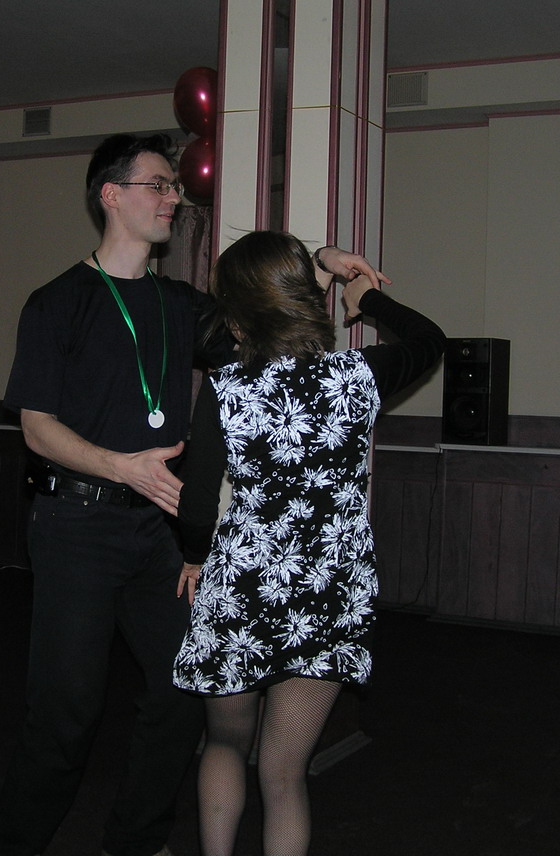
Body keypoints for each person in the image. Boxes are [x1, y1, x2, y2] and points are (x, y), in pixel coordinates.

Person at [0, 134, 382, 856]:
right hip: (77, 524)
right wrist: (120, 466)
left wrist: (320, 261)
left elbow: (267, 299)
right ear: (112, 195)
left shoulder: (185, 305)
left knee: (179, 697)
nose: (174, 198)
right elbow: (36, 429)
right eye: (159, 185)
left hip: (159, 533)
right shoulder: (57, 303)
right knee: (67, 712)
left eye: (173, 187)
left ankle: (135, 841)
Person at [171, 230, 447, 856]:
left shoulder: (227, 387)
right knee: (285, 772)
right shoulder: (359, 376)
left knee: (224, 745)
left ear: (237, 312)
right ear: (304, 295)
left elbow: (197, 500)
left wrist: (193, 556)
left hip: (243, 587)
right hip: (328, 591)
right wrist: (365, 299)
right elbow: (431, 340)